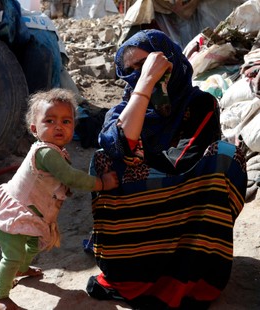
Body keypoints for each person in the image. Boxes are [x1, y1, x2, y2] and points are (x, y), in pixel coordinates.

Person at [86, 29, 247, 309]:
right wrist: (146, 86)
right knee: (104, 159)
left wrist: (135, 158)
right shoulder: (122, 110)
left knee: (227, 158)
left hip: (187, 204)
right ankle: (132, 270)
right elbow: (118, 147)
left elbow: (182, 161)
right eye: (133, 69)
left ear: (168, 59)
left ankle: (194, 270)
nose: (140, 72)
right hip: (139, 228)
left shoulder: (199, 104)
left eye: (147, 63)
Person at [0, 88, 119, 310]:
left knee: (33, 244)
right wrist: (101, 183)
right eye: (50, 121)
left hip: (33, 213)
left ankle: (22, 270)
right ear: (35, 129)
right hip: (15, 213)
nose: (58, 126)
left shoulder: (56, 151)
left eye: (66, 121)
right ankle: (0, 295)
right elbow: (70, 177)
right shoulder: (46, 154)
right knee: (12, 255)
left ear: (74, 126)